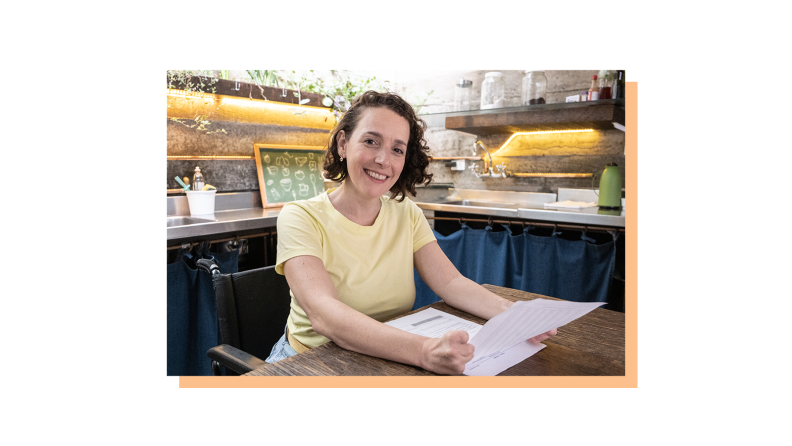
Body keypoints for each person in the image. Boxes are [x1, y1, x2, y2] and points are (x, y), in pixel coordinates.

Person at [266, 90, 557, 375]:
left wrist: (515, 316)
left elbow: (452, 283)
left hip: (382, 358)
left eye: (397, 149)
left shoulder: (406, 213)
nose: (383, 160)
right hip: (309, 364)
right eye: (371, 141)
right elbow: (324, 316)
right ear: (343, 143)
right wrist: (425, 351)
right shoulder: (300, 216)